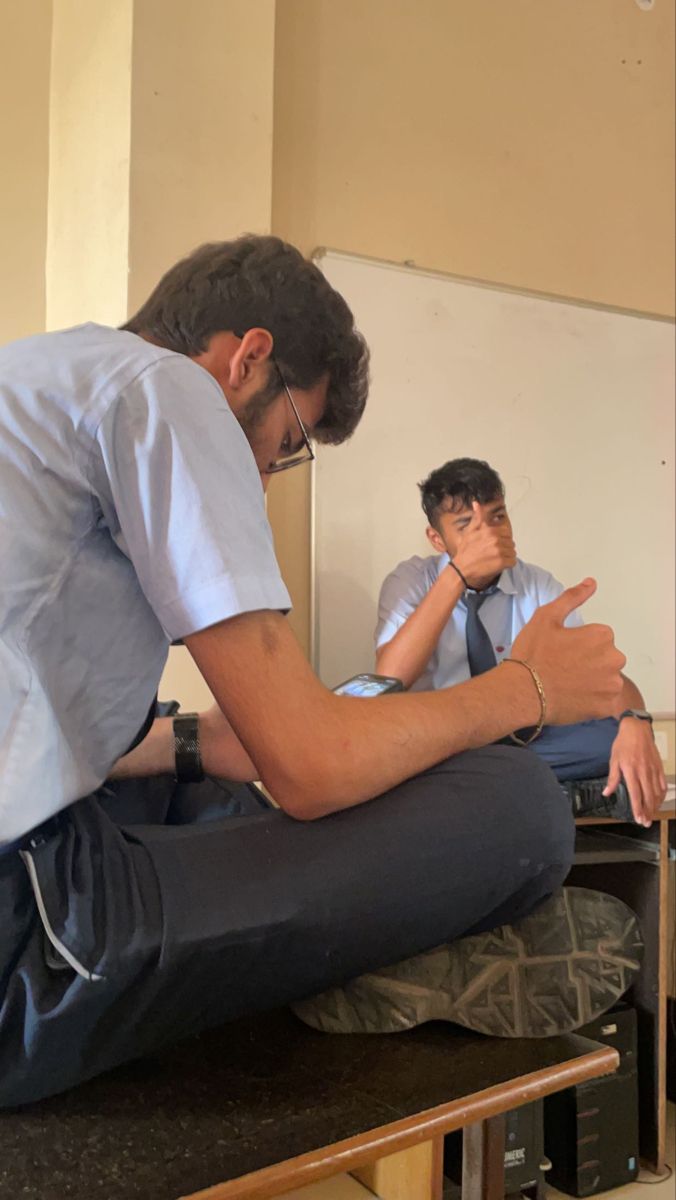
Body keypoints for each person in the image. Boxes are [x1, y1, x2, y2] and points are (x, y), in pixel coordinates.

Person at [0, 237, 647, 1106]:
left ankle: (330, 940)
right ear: (247, 359)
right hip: (30, 932)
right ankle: (373, 950)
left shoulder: (41, 374)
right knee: (520, 807)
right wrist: (524, 688)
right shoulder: (165, 388)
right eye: (287, 439)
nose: (265, 476)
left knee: (209, 788)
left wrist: (194, 741)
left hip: (38, 845)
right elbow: (312, 767)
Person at [375, 457, 666, 826]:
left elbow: (599, 682)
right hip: (442, 744)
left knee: (612, 738)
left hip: (524, 741)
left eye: (497, 517)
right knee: (404, 761)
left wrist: (635, 722)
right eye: (467, 525)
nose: (489, 535)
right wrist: (457, 576)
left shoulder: (538, 586)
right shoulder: (410, 582)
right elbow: (389, 678)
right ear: (437, 538)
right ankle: (546, 792)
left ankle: (521, 791)